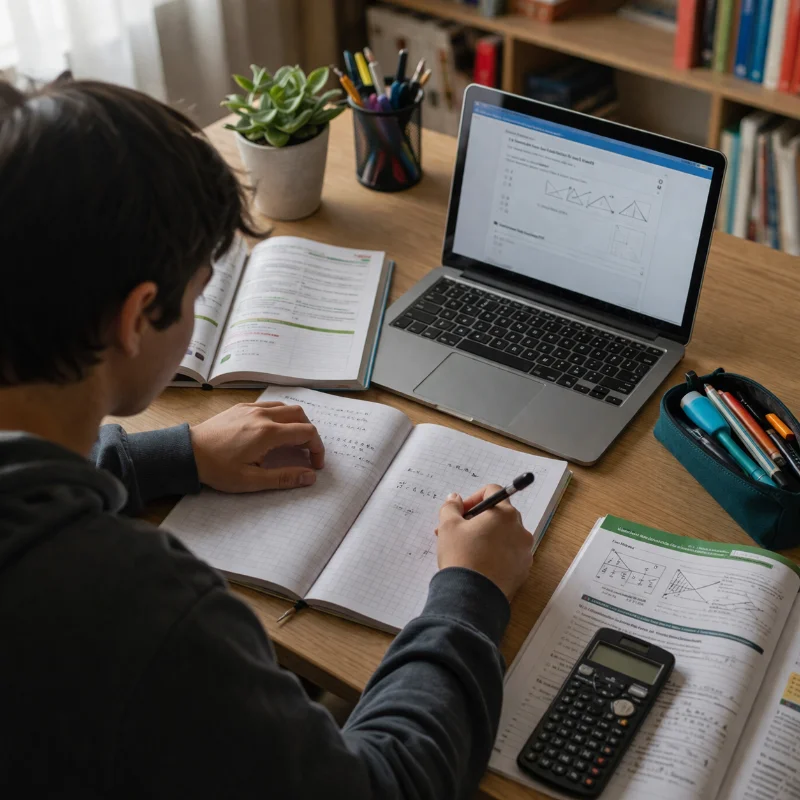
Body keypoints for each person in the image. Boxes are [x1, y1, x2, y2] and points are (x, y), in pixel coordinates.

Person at [0, 77, 535, 799]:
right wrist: (471, 596)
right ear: (135, 318)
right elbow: (386, 787)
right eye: (197, 295)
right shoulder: (146, 613)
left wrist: (170, 453)